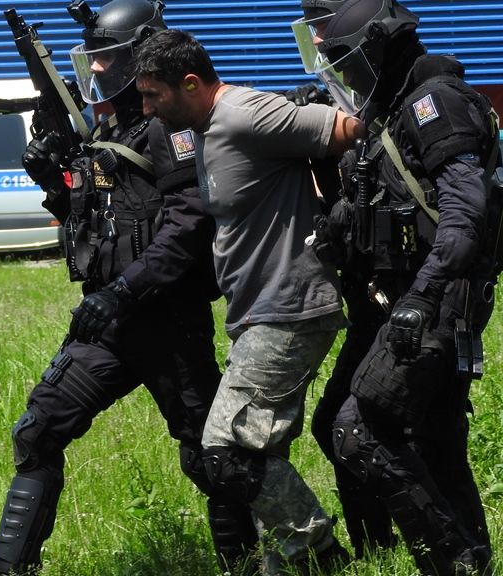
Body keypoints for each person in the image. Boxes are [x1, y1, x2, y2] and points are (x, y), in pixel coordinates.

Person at [0, 1, 258, 574]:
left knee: (211, 458)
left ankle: (252, 562)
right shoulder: (105, 126)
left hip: (167, 321)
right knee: (38, 432)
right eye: (96, 58)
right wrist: (53, 185)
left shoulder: (170, 127)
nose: (100, 69)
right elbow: (95, 221)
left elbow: (188, 225)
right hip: (105, 323)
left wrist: (125, 291)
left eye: (110, 57)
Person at [134, 29, 365, 575]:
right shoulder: (209, 127)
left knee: (226, 452)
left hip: (288, 308)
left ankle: (323, 554)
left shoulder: (244, 113)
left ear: (190, 83)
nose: (144, 107)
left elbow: (348, 128)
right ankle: (288, 566)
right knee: (261, 455)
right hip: (254, 312)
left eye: (152, 95)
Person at [310, 0, 503, 574]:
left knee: (358, 428)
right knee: (425, 440)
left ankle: (453, 562)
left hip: (435, 300)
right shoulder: (391, 111)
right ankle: (386, 557)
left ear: (377, 48)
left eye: (344, 58)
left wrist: (422, 299)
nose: (340, 71)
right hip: (398, 300)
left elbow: (464, 219)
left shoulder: (436, 104)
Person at [287, 0, 399, 560]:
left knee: (352, 427)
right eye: (314, 30)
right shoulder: (354, 97)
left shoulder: (391, 97)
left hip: (400, 304)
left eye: (324, 25)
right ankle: (377, 549)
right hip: (367, 302)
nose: (322, 40)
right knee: (342, 426)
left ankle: (398, 547)